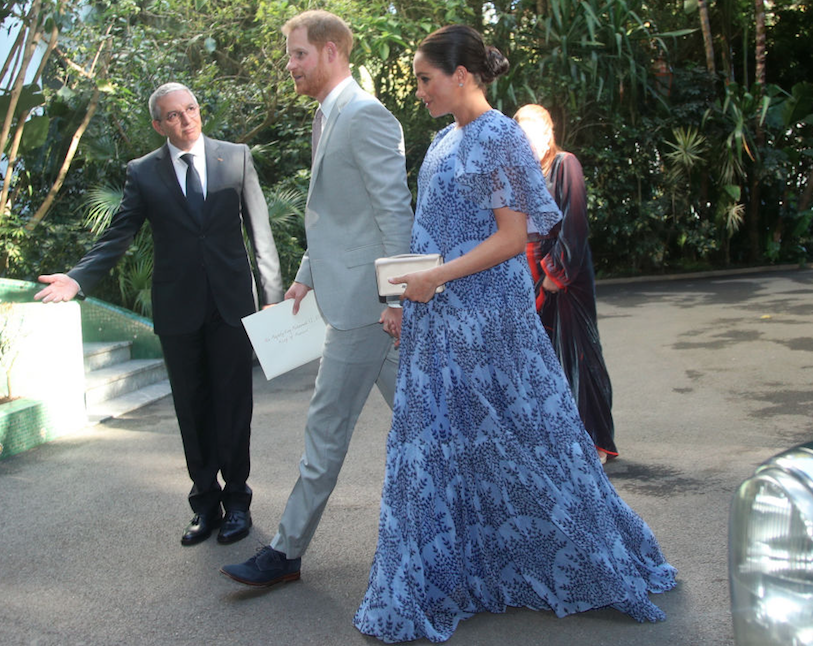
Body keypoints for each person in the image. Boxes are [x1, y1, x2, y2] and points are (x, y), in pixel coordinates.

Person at [352, 25, 676, 643]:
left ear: (463, 76)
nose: (418, 91)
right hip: (438, 319)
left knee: (532, 442)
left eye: (426, 79)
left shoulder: (499, 135)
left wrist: (436, 279)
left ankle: (583, 559)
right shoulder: (442, 143)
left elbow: (512, 238)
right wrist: (402, 297)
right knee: (440, 448)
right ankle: (457, 574)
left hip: (491, 320)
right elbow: (426, 235)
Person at [35, 82, 283, 547]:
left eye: (190, 109)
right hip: (178, 309)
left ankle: (238, 504)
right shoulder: (143, 173)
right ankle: (205, 506)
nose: (185, 120)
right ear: (158, 124)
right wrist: (78, 278)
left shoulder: (237, 157)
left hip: (232, 305)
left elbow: (260, 232)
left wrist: (272, 295)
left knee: (234, 408)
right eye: (173, 115)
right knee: (193, 410)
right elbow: (119, 232)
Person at [220, 11, 413, 586]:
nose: (290, 65)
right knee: (432, 419)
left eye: (298, 53)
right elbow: (334, 215)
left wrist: (396, 299)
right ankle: (494, 516)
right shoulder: (328, 118)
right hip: (352, 300)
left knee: (325, 428)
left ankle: (284, 552)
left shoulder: (365, 115)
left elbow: (393, 212)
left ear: (331, 52)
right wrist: (305, 272)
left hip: (364, 309)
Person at [514, 104, 618, 464]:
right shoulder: (519, 176)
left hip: (564, 279)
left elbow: (574, 223)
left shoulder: (565, 165)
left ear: (547, 136)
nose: (526, 144)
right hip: (528, 279)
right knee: (541, 364)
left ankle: (593, 441)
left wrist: (554, 274)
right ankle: (555, 444)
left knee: (578, 357)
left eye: (531, 136)